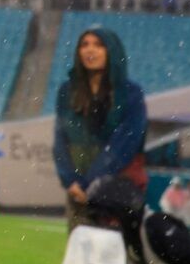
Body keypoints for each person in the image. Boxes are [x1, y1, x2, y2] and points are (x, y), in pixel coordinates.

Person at [55, 26, 148, 226]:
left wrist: (90, 183)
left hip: (116, 191)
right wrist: (71, 181)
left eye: (98, 45)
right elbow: (60, 140)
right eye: (84, 44)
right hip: (77, 192)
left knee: (116, 252)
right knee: (80, 252)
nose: (90, 50)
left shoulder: (131, 94)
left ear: (112, 51)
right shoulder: (67, 92)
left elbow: (124, 144)